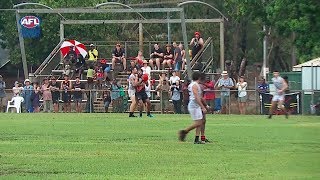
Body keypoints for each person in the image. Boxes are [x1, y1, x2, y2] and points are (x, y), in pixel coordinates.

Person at [178, 71, 207, 144]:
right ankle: (184, 131)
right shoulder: (194, 85)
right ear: (199, 77)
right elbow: (197, 97)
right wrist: (203, 107)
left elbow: (199, 97)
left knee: (200, 122)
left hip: (196, 105)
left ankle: (196, 139)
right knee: (199, 122)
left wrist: (204, 105)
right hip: (194, 105)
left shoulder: (195, 84)